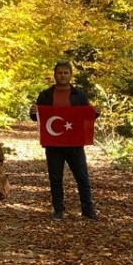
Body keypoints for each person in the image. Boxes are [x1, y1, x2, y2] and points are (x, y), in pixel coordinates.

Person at [29, 61, 99, 220]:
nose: (62, 76)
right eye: (59, 73)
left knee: (82, 177)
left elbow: (86, 117)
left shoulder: (79, 95)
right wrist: (33, 112)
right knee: (55, 178)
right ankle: (58, 209)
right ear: (54, 75)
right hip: (53, 144)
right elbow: (37, 118)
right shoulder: (45, 95)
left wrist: (95, 113)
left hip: (75, 144)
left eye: (65, 73)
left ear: (70, 75)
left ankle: (88, 209)